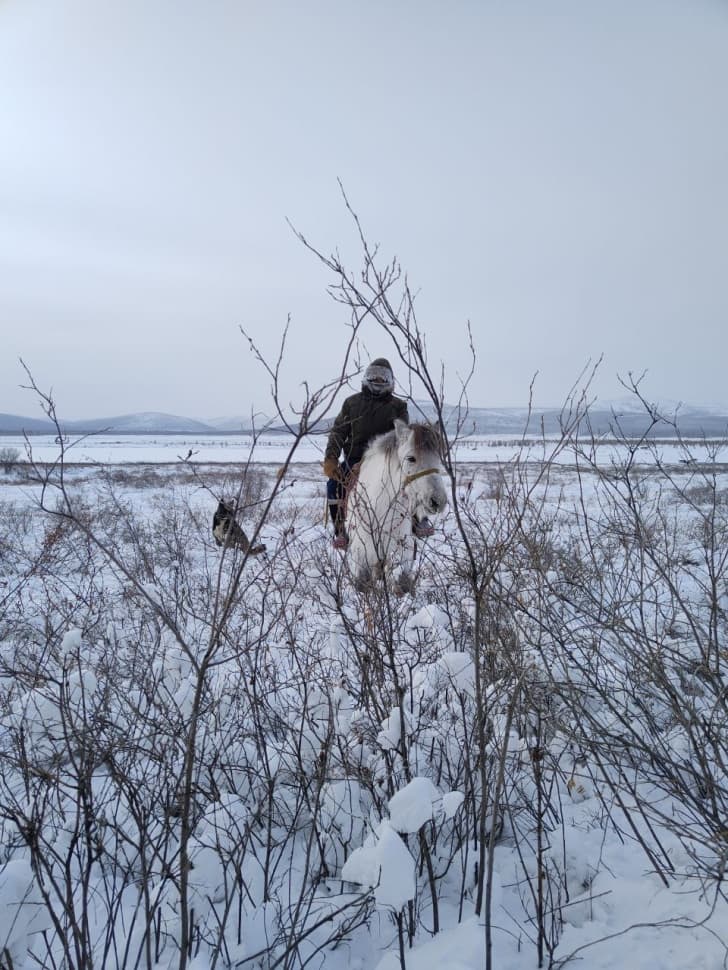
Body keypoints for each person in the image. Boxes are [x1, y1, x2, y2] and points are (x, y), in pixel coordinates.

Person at [323, 357, 434, 549]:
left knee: (409, 481)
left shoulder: (398, 406)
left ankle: (418, 519)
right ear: (367, 377)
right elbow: (338, 431)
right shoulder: (351, 403)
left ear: (390, 381)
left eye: (383, 377)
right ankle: (341, 529)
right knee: (333, 485)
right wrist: (331, 458)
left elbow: (401, 434)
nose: (378, 380)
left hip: (387, 457)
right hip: (355, 457)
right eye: (374, 375)